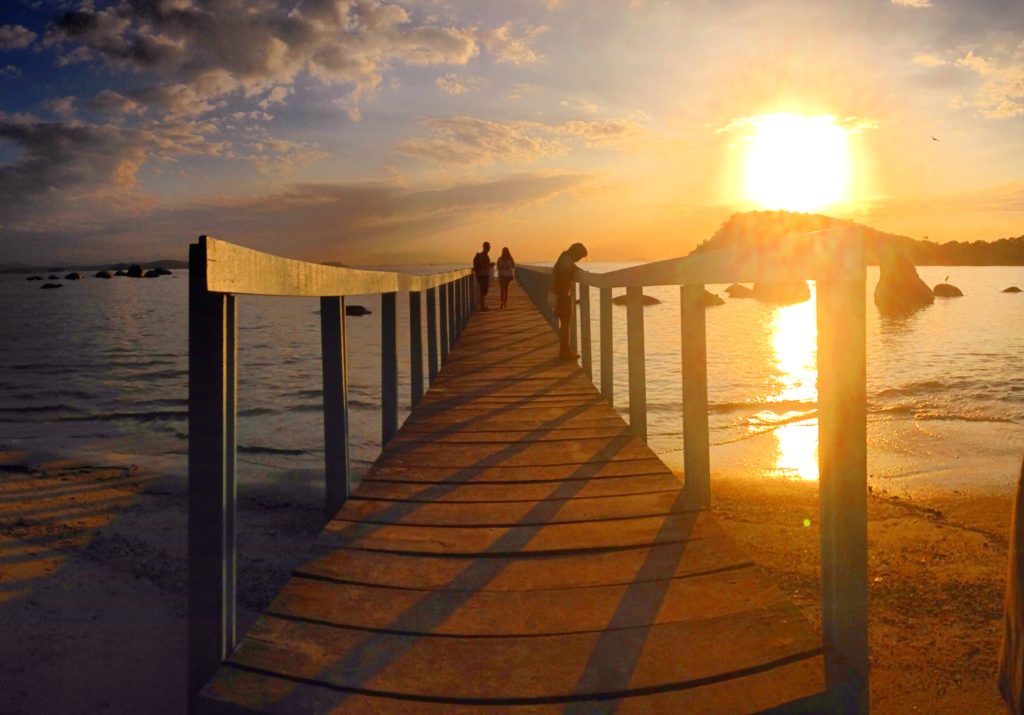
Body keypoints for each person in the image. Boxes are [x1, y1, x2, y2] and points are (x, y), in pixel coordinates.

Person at [550, 242, 587, 360]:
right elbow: (565, 275)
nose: (579, 260)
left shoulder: (565, 258)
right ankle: (564, 351)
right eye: (580, 257)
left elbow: (572, 268)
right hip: (562, 296)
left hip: (559, 294)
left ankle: (564, 349)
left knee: (565, 323)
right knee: (566, 324)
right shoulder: (566, 260)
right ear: (576, 253)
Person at [472, 242, 493, 311]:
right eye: (488, 247)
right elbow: (483, 265)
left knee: (483, 290)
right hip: (483, 274)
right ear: (485, 247)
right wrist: (490, 265)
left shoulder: (483, 255)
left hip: (481, 274)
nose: (489, 248)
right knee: (483, 290)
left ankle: (482, 305)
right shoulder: (484, 255)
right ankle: (482, 307)